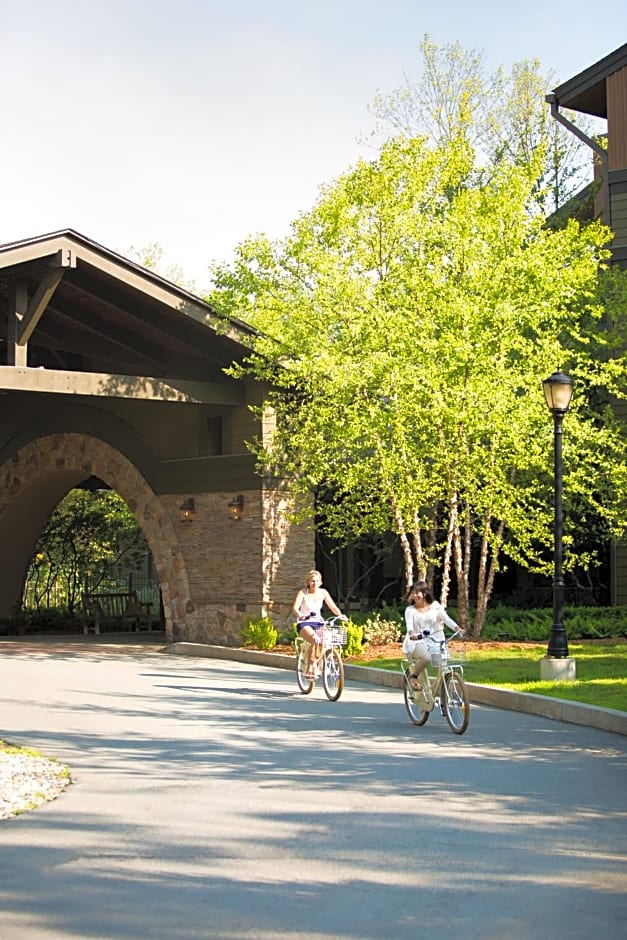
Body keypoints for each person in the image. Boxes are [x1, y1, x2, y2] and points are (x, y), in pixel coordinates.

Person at [402, 580, 462, 705]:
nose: (415, 596)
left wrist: (457, 628)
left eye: (417, 593)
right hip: (417, 641)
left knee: (442, 668)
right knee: (426, 658)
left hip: (436, 641)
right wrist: (413, 634)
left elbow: (446, 619)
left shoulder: (435, 606)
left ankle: (446, 694)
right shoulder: (410, 610)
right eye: (413, 593)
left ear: (425, 593)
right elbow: (410, 627)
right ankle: (413, 676)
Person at [292, 570, 346, 679]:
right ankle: (310, 667)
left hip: (318, 622)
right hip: (305, 623)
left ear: (320, 582)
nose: (314, 583)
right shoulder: (303, 593)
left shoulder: (323, 592)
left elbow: (333, 607)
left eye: (317, 581)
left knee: (325, 640)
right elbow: (294, 608)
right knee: (315, 639)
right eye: (312, 581)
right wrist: (300, 615)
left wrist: (340, 615)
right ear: (308, 582)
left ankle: (318, 663)